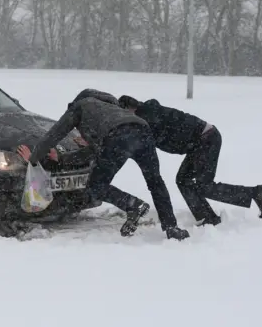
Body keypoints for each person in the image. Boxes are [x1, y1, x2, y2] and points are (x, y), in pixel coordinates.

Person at [17, 90, 190, 241]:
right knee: (155, 181)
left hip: (117, 137)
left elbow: (52, 136)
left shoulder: (80, 107)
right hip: (143, 132)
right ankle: (171, 227)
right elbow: (96, 151)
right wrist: (62, 158)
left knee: (95, 186)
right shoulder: (112, 109)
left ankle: (133, 205)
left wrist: (33, 158)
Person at [117, 95, 262, 226]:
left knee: (204, 185)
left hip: (207, 139)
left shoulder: (148, 118)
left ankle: (255, 193)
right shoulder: (148, 115)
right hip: (199, 143)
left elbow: (146, 145)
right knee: (183, 180)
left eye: (125, 114)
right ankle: (208, 217)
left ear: (130, 108)